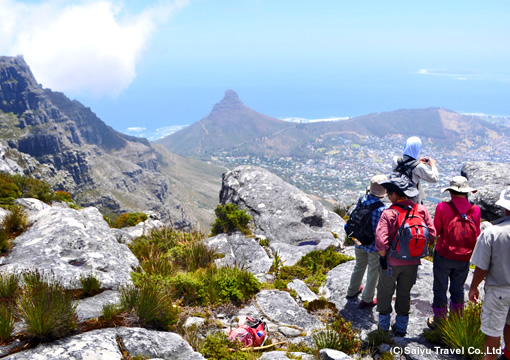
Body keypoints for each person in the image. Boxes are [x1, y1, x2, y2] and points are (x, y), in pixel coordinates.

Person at [375, 174, 436, 337]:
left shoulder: (389, 213)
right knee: (404, 293)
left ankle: (383, 329)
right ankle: (401, 328)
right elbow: (432, 233)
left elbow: (381, 242)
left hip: (391, 263)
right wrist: (416, 250)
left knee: (384, 293)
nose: (388, 196)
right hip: (412, 263)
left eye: (389, 193)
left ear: (395, 194)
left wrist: (383, 259)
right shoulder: (421, 210)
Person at [427, 176, 481, 329]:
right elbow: (476, 234)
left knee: (440, 287)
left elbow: (436, 231)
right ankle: (456, 321)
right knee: (458, 289)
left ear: (450, 192)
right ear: (466, 192)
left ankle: (439, 320)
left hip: (444, 254)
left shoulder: (442, 207)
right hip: (464, 257)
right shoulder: (475, 210)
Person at [469, 187, 510, 360]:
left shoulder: (492, 232)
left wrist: (473, 287)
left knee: (493, 333)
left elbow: (482, 267)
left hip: (498, 291)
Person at [346, 174, 388, 309]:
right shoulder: (383, 209)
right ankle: (367, 299)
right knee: (373, 271)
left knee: (359, 265)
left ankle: (352, 290)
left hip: (358, 241)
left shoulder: (361, 200)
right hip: (373, 246)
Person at [392, 136, 439, 204]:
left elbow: (406, 165)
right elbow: (434, 178)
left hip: (397, 196)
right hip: (411, 200)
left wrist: (417, 162)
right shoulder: (419, 167)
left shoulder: (396, 160)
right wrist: (433, 166)